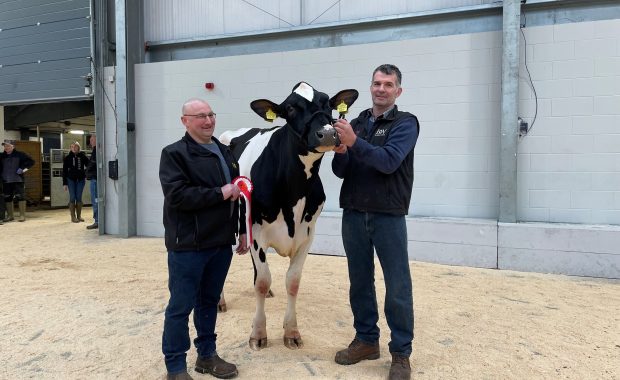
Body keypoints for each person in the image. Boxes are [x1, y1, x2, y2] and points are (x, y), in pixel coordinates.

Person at [331, 64, 420, 380]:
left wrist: (353, 142)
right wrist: (341, 150)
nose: (381, 88)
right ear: (370, 87)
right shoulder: (356, 123)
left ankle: (400, 353)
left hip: (388, 214)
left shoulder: (405, 123)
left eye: (388, 84)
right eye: (377, 83)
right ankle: (367, 340)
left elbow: (388, 162)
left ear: (398, 91)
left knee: (397, 284)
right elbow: (340, 171)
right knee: (360, 281)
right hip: (354, 212)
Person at [159, 98, 248, 380]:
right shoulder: (174, 154)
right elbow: (178, 196)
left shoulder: (224, 151)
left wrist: (242, 229)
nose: (208, 121)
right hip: (188, 244)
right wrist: (220, 193)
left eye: (211, 114)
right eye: (200, 116)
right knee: (181, 306)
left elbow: (239, 192)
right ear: (185, 120)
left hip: (220, 243)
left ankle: (207, 356)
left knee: (209, 302)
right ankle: (175, 366)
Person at [1, 140, 35, 222]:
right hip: (6, 180)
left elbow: (32, 162)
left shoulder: (20, 154)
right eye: (5, 146)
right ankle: (10, 216)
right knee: (7, 197)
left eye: (8, 146)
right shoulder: (1, 156)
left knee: (21, 196)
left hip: (18, 180)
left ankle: (22, 216)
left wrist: (23, 169)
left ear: (13, 146)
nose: (6, 147)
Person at [63, 141, 90, 223]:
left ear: (78, 147)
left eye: (76, 147)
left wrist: (85, 173)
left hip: (81, 180)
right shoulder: (67, 158)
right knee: (72, 197)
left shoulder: (82, 156)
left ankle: (79, 216)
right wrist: (64, 183)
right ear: (70, 148)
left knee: (79, 197)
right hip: (70, 180)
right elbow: (64, 171)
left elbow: (89, 165)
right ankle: (73, 217)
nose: (74, 148)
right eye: (72, 147)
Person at [85, 135, 98, 229]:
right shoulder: (96, 150)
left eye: (92, 139)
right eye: (90, 140)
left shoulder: (96, 150)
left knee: (95, 200)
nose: (91, 141)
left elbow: (92, 164)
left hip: (95, 178)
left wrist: (87, 172)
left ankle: (97, 221)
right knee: (96, 200)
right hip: (95, 178)